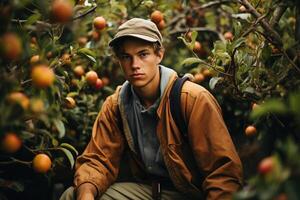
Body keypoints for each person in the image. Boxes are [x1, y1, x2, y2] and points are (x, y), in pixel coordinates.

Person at [60, 18, 243, 200]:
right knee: (73, 195)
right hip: (150, 192)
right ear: (119, 60)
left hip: (190, 193)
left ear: (159, 54)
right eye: (126, 57)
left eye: (143, 54)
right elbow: (97, 161)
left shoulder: (192, 99)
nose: (134, 65)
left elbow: (223, 173)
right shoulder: (116, 105)